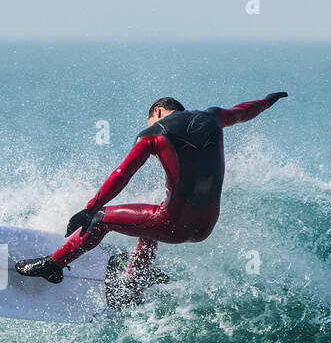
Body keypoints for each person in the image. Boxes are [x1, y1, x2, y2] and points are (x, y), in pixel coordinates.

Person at [15, 92, 288, 286]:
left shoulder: (153, 133)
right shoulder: (214, 118)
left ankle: (53, 266)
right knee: (150, 215)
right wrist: (265, 102)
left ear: (157, 112)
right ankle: (138, 276)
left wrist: (91, 209)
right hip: (205, 227)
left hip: (173, 226)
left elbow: (122, 174)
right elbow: (244, 111)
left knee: (100, 221)